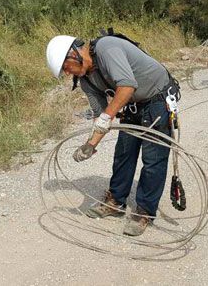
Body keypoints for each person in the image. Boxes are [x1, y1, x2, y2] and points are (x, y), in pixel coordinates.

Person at [45, 32, 179, 236]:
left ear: (74, 53)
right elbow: (100, 116)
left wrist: (107, 117)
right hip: (131, 104)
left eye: (65, 67)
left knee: (153, 161)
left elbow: (127, 86)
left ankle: (144, 211)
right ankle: (116, 202)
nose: (67, 73)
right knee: (123, 154)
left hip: (157, 100)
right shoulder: (86, 80)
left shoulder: (107, 48)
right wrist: (91, 144)